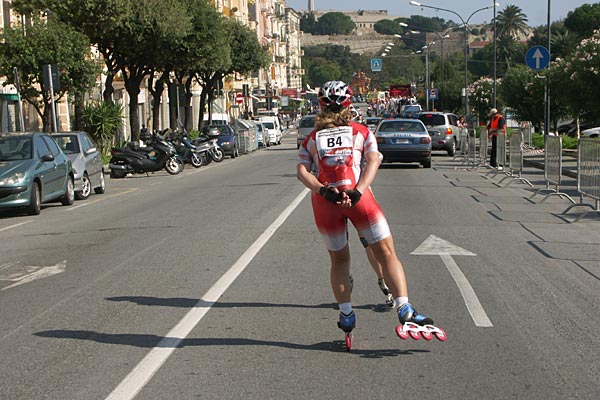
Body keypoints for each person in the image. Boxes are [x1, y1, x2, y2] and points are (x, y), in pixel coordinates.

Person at [296, 80, 434, 335]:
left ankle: (346, 314)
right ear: (349, 104)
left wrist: (323, 190)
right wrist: (358, 190)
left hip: (326, 201)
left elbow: (302, 172)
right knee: (386, 253)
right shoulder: (361, 131)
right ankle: (404, 307)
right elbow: (372, 161)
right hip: (359, 198)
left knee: (339, 261)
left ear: (321, 105)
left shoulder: (311, 139)